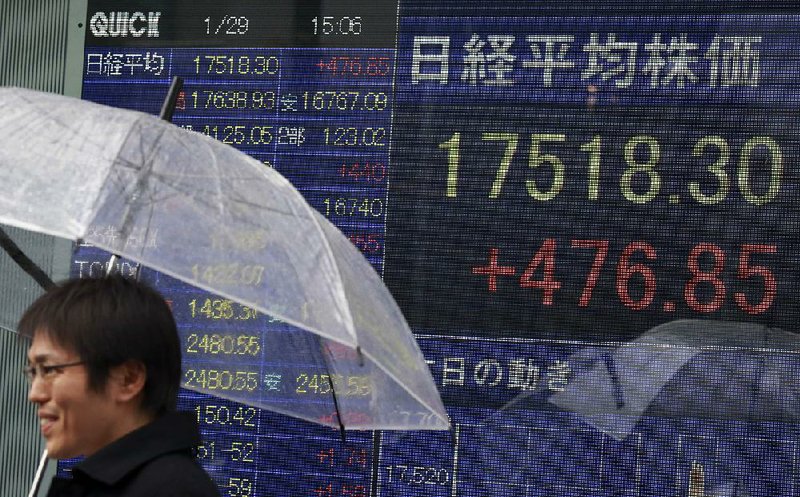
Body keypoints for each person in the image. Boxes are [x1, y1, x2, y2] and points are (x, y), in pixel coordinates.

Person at [20, 275, 220, 496]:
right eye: (32, 372)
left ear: (128, 379)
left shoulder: (171, 490)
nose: (35, 394)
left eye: (49, 369)